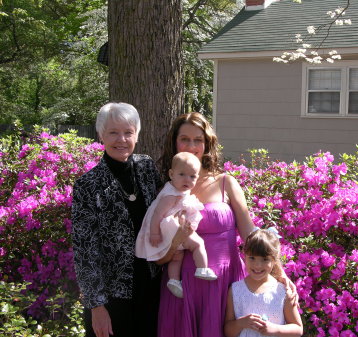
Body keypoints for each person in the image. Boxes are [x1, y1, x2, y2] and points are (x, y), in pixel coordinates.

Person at [157, 112, 297, 337]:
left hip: (225, 283)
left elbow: (251, 236)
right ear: (174, 141)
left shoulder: (226, 183)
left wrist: (281, 274)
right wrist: (174, 243)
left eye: (198, 140)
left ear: (207, 144)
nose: (191, 146)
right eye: (184, 139)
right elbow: (156, 243)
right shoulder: (167, 189)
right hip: (182, 284)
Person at [71, 102, 164, 337]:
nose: (121, 139)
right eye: (113, 132)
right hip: (112, 299)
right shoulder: (87, 185)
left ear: (137, 135)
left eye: (128, 132)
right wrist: (97, 306)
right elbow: (85, 250)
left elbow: (168, 208)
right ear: (102, 135)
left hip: (152, 289)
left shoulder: (147, 168)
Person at [135, 151, 217, 299]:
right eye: (182, 175)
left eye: (192, 176)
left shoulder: (175, 189)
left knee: (176, 256)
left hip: (170, 231)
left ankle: (173, 280)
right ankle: (202, 268)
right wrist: (154, 233)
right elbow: (156, 215)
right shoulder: (171, 195)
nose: (187, 179)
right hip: (171, 228)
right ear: (171, 174)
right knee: (198, 244)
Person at [224, 229, 303, 337]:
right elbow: (228, 331)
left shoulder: (283, 291)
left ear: (274, 260)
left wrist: (275, 329)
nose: (257, 265)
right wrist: (241, 323)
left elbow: (298, 329)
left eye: (265, 259)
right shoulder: (235, 290)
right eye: (252, 258)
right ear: (244, 256)